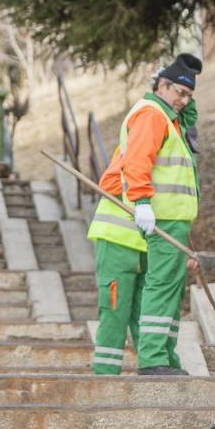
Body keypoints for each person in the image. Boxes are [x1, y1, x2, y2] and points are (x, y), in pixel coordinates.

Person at [116, 54, 202, 376]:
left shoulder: (168, 117)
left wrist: (186, 84)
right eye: (180, 92)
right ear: (161, 86)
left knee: (172, 289)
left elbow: (189, 114)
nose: (184, 101)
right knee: (163, 286)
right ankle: (153, 358)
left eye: (189, 95)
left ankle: (165, 355)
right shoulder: (152, 115)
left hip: (173, 219)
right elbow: (137, 160)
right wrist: (141, 201)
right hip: (162, 218)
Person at [85, 147, 147, 374]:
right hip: (116, 242)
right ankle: (105, 373)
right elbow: (109, 183)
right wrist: (143, 193)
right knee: (115, 310)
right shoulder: (135, 142)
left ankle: (153, 368)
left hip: (147, 246)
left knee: (145, 314)